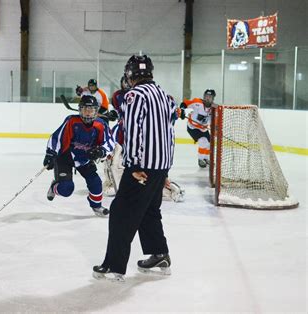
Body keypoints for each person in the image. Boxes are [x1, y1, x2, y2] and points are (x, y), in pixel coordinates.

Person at [93, 55, 176, 282]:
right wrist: (165, 169)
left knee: (120, 213)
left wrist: (135, 165)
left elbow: (134, 132)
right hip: (160, 165)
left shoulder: (133, 95)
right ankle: (160, 254)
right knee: (149, 210)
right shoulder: (164, 95)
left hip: (142, 167)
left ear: (129, 75)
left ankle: (114, 266)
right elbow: (170, 133)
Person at [43, 95, 115, 217]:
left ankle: (96, 206)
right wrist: (50, 153)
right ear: (79, 110)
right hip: (65, 157)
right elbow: (57, 137)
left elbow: (109, 141)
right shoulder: (71, 121)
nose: (87, 113)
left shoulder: (100, 124)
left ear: (96, 111)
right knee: (66, 189)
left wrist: (101, 151)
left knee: (96, 183)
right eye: (85, 109)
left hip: (84, 158)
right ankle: (54, 187)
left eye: (91, 109)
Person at [179, 89, 216, 168]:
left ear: (213, 98)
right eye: (206, 96)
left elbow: (214, 119)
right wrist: (182, 111)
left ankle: (205, 158)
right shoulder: (197, 102)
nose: (207, 98)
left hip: (204, 128)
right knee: (203, 142)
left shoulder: (214, 108)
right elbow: (185, 103)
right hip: (193, 127)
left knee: (209, 144)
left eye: (210, 97)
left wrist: (216, 127)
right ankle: (200, 160)